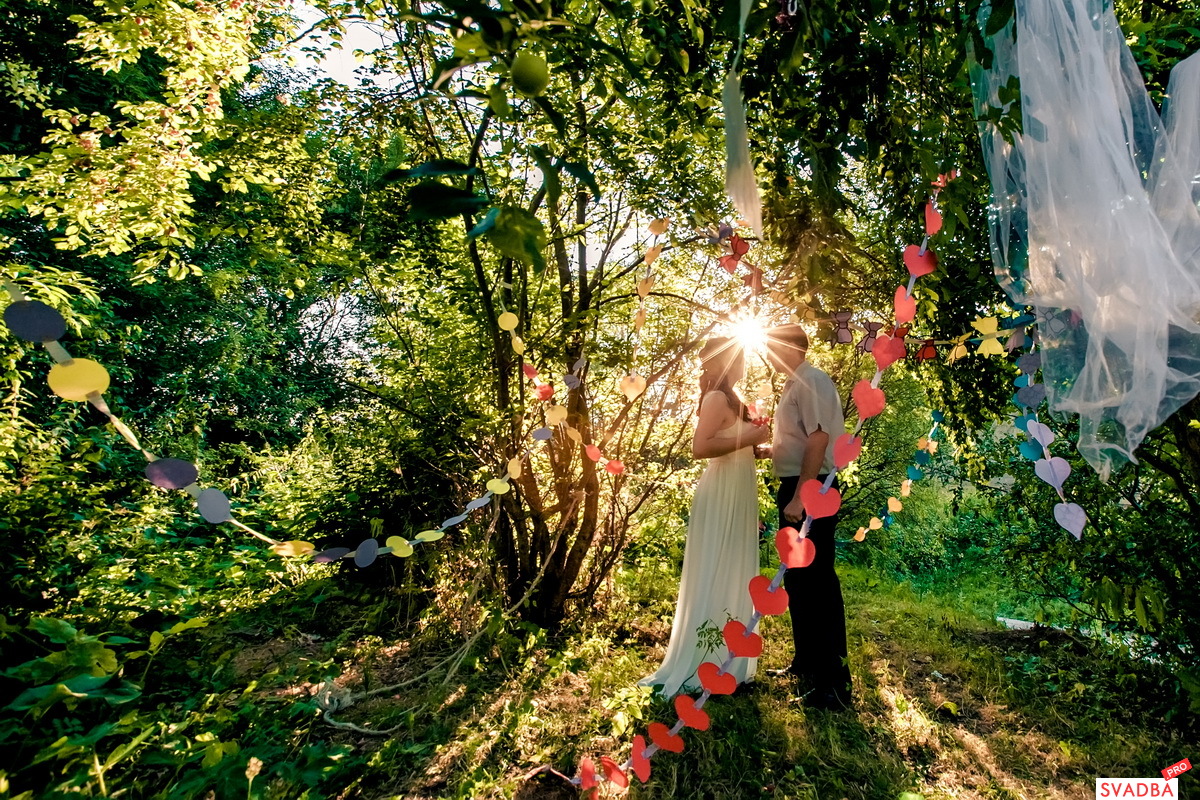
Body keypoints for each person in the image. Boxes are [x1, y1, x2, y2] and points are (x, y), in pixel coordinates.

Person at [639, 337, 770, 696]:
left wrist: (765, 446)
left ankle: (732, 662)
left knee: (735, 566)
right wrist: (750, 438)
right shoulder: (714, 398)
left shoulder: (736, 400)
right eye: (738, 356)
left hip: (740, 487)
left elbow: (738, 446)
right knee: (716, 564)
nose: (744, 361)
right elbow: (701, 447)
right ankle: (703, 660)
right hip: (721, 490)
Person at [763, 323, 854, 711]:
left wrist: (803, 495)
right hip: (796, 483)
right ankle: (806, 663)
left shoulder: (812, 378)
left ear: (791, 347)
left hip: (812, 490)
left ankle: (833, 685)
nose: (768, 353)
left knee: (816, 580)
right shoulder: (792, 383)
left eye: (772, 346)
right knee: (798, 580)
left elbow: (819, 439)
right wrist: (769, 451)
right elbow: (799, 438)